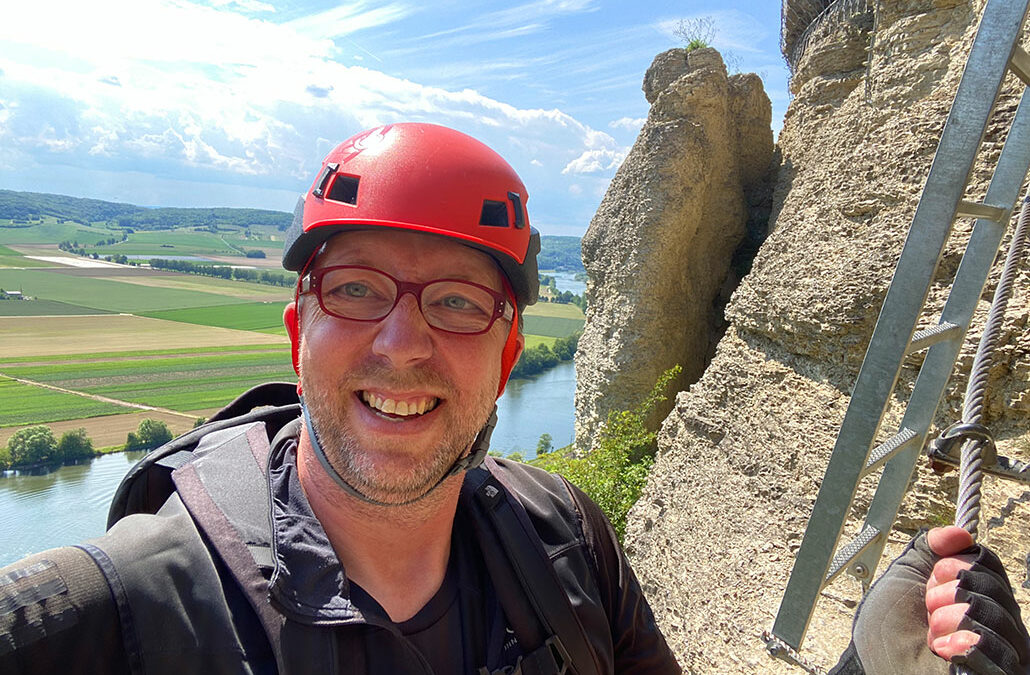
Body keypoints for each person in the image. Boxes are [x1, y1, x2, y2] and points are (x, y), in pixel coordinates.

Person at [0, 123, 1025, 675]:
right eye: (354, 291)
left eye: (454, 304)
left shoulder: (562, 540)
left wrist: (872, 667)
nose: (401, 346)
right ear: (297, 329)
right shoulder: (116, 610)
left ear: (505, 357)